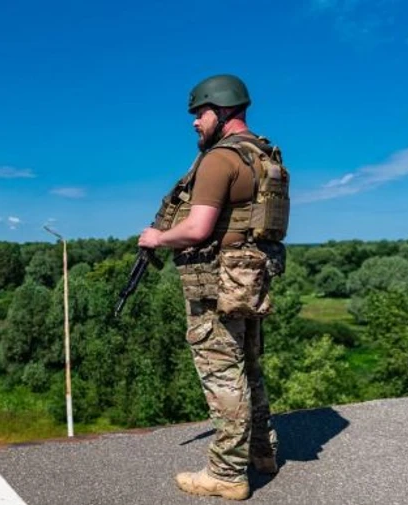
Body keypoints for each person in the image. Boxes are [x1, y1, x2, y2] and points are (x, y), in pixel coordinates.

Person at [138, 74, 290, 500]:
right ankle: (262, 451)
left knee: (223, 374)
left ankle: (226, 473)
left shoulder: (219, 160)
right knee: (250, 368)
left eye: (199, 113)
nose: (194, 123)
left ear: (222, 111)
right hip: (248, 279)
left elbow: (197, 228)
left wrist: (156, 238)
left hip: (217, 286)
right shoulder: (263, 155)